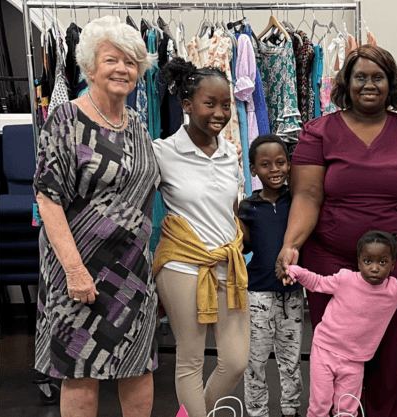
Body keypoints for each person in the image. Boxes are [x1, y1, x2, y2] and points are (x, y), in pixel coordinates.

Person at [275, 44, 397, 417]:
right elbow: (307, 195)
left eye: (377, 77)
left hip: (393, 264)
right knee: (333, 353)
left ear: (390, 83)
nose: (369, 84)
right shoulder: (318, 132)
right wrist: (291, 245)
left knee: (382, 355)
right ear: (346, 83)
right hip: (329, 261)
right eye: (360, 77)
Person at [32, 15, 159, 417]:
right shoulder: (66, 119)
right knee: (80, 367)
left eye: (131, 61)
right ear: (89, 67)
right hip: (80, 267)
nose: (123, 68)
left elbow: (147, 190)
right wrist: (73, 269)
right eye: (111, 60)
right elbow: (48, 199)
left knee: (138, 364)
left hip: (133, 269)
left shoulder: (137, 123)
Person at [280, 231, 397, 417]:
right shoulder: (345, 279)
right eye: (368, 261)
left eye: (382, 262)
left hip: (355, 360)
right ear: (359, 262)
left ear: (392, 265)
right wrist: (295, 270)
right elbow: (316, 282)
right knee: (319, 406)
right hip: (325, 351)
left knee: (346, 408)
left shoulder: (394, 290)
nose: (374, 267)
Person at [152, 57, 249, 417]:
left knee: (236, 360)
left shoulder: (230, 153)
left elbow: (231, 208)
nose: (221, 113)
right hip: (181, 264)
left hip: (228, 264)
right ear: (188, 105)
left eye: (226, 104)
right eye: (211, 104)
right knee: (190, 360)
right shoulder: (162, 152)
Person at [239, 134, 303, 417]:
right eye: (266, 165)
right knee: (254, 360)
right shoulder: (247, 207)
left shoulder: (299, 202)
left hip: (293, 294)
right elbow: (244, 246)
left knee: (291, 359)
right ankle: (256, 412)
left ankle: (291, 410)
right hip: (258, 293)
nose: (274, 169)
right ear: (253, 169)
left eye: (280, 163)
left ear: (289, 165)